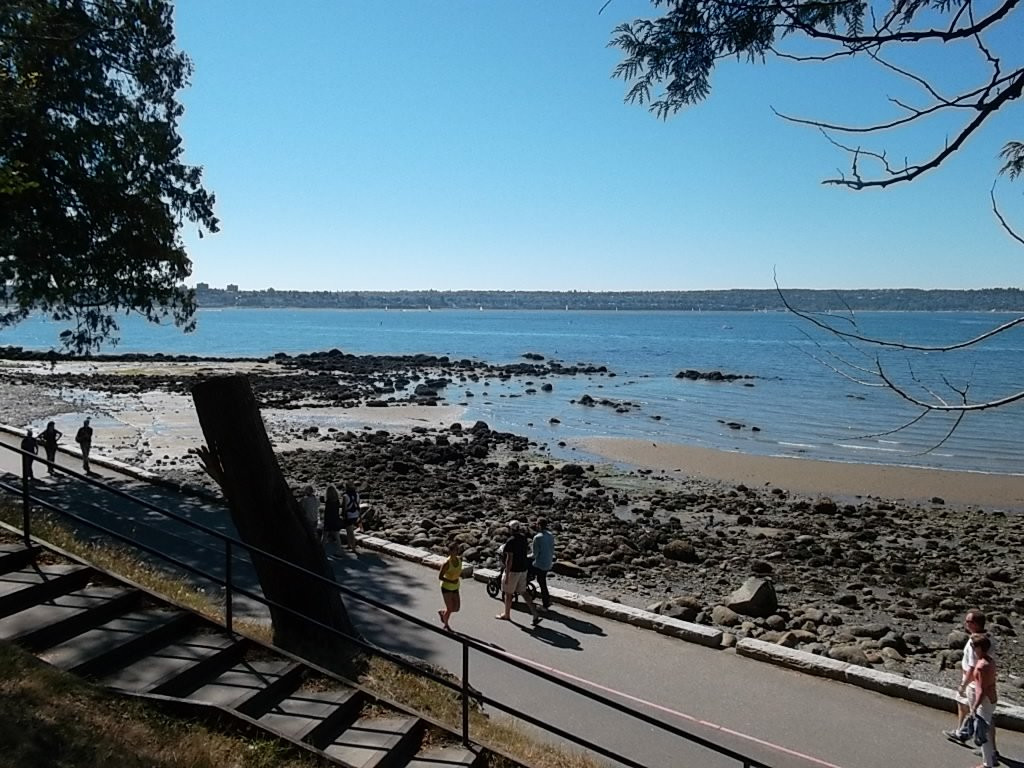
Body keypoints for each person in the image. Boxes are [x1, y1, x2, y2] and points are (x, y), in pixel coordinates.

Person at [945, 609, 998, 759]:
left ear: (975, 624)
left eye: (968, 621)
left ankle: (990, 752)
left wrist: (963, 684)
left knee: (983, 717)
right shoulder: (987, 639)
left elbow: (973, 667)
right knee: (962, 704)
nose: (965, 623)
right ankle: (961, 732)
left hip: (975, 683)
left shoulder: (977, 642)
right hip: (978, 681)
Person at [495, 519, 541, 626]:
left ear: (511, 529)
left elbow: (509, 559)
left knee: (508, 593)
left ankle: (506, 614)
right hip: (523, 569)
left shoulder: (510, 541)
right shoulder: (523, 538)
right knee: (523, 591)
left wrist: (506, 573)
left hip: (513, 570)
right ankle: (534, 612)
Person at [968, 633, 998, 768]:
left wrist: (974, 706)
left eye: (974, 647)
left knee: (982, 733)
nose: (973, 649)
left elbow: (981, 690)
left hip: (984, 702)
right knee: (985, 730)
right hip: (992, 699)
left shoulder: (981, 666)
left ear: (980, 648)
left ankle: (987, 764)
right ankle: (990, 758)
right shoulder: (990, 661)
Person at [529, 517, 556, 610]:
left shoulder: (537, 538)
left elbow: (534, 555)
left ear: (539, 525)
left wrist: (526, 556)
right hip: (548, 562)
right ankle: (547, 599)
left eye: (537, 524)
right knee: (542, 581)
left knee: (541, 581)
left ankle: (545, 603)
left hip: (540, 564)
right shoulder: (551, 535)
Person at [437, 540, 463, 631]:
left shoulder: (459, 560)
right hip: (446, 587)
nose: (457, 551)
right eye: (455, 550)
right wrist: (451, 581)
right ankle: (446, 625)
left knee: (456, 608)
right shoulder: (446, 563)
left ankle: (443, 613)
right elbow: (440, 577)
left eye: (457, 549)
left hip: (455, 587)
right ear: (451, 551)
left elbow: (458, 571)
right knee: (450, 608)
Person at [323, 484, 344, 554]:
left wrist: (324, 521)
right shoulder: (337, 501)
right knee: (337, 536)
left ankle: (321, 549)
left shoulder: (328, 502)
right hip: (335, 519)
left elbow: (327, 513)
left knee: (325, 536)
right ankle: (339, 550)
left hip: (329, 520)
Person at [341, 483, 361, 553]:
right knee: (348, 530)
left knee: (350, 531)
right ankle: (349, 544)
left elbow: (344, 507)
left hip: (348, 515)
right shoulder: (357, 495)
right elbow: (358, 504)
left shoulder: (345, 496)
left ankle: (353, 548)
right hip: (355, 514)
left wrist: (343, 515)